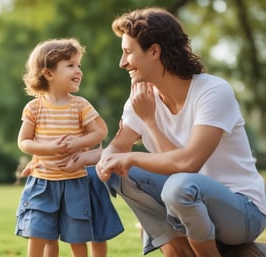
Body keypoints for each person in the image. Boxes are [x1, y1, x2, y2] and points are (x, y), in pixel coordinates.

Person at [62, 7, 266, 257]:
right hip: (186, 201)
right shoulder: (141, 98)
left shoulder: (213, 92)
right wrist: (103, 159)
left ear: (155, 51)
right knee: (116, 170)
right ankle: (179, 250)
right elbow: (117, 147)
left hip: (241, 212)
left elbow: (188, 164)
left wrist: (149, 123)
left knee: (178, 186)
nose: (122, 62)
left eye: (128, 52)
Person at [15, 38, 122, 257]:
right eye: (71, 65)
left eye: (79, 65)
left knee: (77, 237)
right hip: (43, 182)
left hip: (74, 182)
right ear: (48, 73)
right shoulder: (34, 108)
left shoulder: (80, 105)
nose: (78, 71)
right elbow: (24, 142)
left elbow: (100, 131)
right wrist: (48, 147)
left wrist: (78, 142)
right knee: (40, 234)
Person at [20, 116, 124, 257]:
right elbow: (42, 143)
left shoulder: (81, 109)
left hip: (90, 176)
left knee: (96, 234)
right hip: (59, 179)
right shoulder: (46, 112)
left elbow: (100, 136)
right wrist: (36, 160)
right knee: (50, 236)